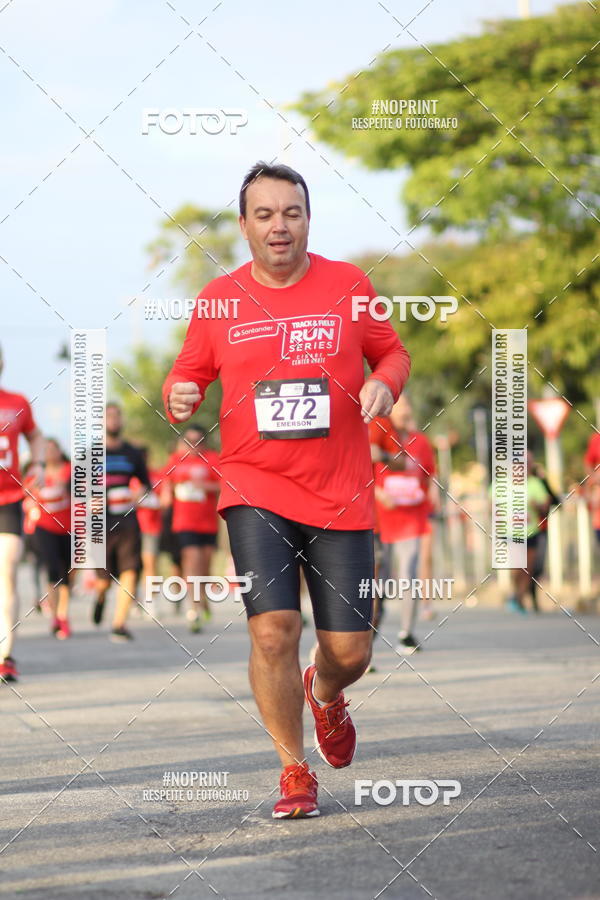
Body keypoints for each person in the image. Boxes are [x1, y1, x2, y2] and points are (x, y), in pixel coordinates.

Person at [163, 161, 410, 818]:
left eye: (291, 213)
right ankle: (294, 770)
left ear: (308, 219)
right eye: (265, 214)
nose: (279, 226)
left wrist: (386, 381)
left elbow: (393, 352)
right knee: (273, 631)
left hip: (342, 492)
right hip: (254, 487)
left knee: (350, 650)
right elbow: (185, 377)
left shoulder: (349, 285)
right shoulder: (218, 299)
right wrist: (179, 396)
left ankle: (326, 694)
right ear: (244, 225)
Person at [369, 395, 437, 653]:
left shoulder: (421, 441)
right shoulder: (376, 429)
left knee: (409, 573)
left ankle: (406, 633)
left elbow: (430, 473)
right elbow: (362, 468)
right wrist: (378, 493)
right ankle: (366, 641)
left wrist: (431, 497)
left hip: (411, 516)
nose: (406, 408)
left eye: (408, 403)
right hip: (381, 518)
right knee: (380, 582)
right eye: (401, 404)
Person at [0, 345, 45, 682]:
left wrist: (39, 464)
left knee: (8, 573)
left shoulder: (16, 402)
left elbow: (36, 435)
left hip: (9, 499)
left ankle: (6, 655)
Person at [92, 403, 151, 641]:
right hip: (100, 523)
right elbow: (75, 487)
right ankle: (100, 597)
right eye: (109, 417)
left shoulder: (132, 453)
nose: (113, 421)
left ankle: (119, 624)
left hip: (127, 520)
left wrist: (140, 493)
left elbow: (146, 483)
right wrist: (89, 499)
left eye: (117, 416)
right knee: (103, 581)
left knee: (130, 569)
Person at [161, 424, 220, 632]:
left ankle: (203, 601)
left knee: (205, 566)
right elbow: (164, 483)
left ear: (204, 442)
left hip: (208, 522)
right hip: (184, 522)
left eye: (198, 441)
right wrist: (167, 492)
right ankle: (193, 609)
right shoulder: (175, 460)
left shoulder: (212, 458)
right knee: (192, 561)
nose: (193, 446)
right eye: (189, 441)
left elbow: (224, 484)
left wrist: (205, 486)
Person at [28, 438, 72, 638]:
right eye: (45, 449)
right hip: (44, 528)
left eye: (52, 448)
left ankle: (63, 614)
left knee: (67, 574)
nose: (49, 452)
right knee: (52, 571)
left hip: (69, 528)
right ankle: (56, 618)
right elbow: (26, 494)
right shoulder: (37, 473)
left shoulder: (70, 470)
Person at [507, 450, 552, 614]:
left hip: (531, 531)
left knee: (528, 568)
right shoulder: (503, 483)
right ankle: (516, 595)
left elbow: (547, 504)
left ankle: (518, 599)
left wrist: (537, 506)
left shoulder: (535, 483)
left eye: (528, 463)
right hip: (512, 532)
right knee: (516, 568)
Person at [133, 448, 163, 609]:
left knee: (150, 564)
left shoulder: (156, 477)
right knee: (132, 567)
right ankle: (133, 600)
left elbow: (164, 500)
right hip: (130, 527)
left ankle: (151, 603)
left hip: (151, 527)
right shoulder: (129, 478)